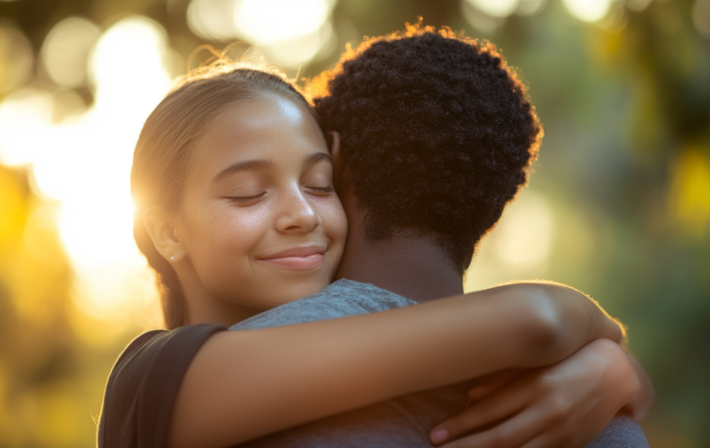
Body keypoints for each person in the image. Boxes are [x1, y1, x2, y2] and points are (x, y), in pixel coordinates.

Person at [98, 34, 648, 448]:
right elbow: (534, 318)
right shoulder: (153, 382)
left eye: (319, 185)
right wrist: (602, 340)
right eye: (247, 194)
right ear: (167, 230)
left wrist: (606, 361)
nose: (301, 214)